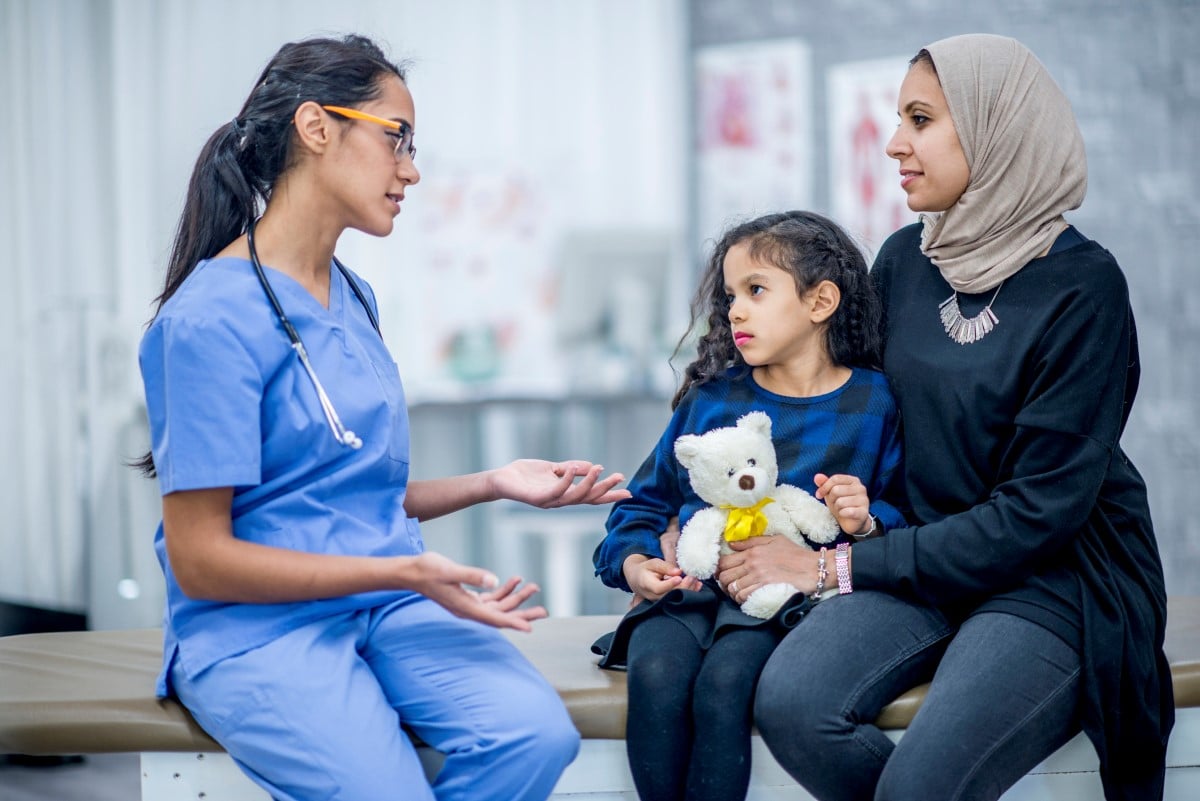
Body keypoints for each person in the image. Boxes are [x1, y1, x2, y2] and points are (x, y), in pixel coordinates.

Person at [135, 34, 631, 801]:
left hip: (385, 605)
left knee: (533, 734)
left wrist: (491, 481)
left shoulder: (351, 296)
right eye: (396, 137)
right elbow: (201, 558)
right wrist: (403, 567)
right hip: (257, 629)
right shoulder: (209, 321)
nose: (413, 167)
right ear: (316, 127)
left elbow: (343, 491)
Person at [716, 34, 1173, 801]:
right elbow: (837, 401)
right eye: (899, 119)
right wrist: (715, 504)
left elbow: (1036, 516)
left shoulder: (1083, 286)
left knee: (920, 786)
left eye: (921, 119)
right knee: (792, 702)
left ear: (998, 130)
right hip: (912, 551)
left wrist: (832, 567)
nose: (896, 143)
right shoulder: (904, 258)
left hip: (1052, 576)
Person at [592, 210, 906, 801]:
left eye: (756, 291)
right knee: (657, 676)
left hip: (779, 605)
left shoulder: (875, 401)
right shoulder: (711, 400)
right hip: (686, 594)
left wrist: (864, 520)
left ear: (821, 302)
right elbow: (637, 507)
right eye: (730, 294)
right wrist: (636, 565)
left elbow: (903, 515)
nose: (735, 309)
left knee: (727, 683)